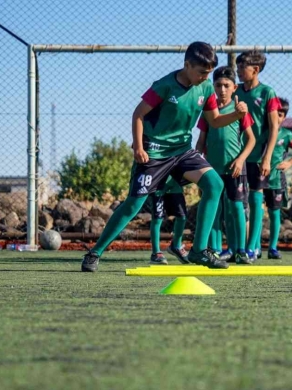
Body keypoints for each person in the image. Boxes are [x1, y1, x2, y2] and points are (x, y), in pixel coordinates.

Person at [81, 42, 248, 272]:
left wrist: (237, 116)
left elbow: (215, 120)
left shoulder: (206, 89)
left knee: (215, 184)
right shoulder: (165, 86)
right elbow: (138, 114)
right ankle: (95, 252)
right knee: (133, 206)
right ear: (187, 65)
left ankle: (199, 250)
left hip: (182, 152)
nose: (204, 78)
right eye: (201, 72)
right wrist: (139, 147)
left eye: (208, 73)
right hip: (155, 153)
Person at [195, 66, 256, 264]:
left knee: (236, 207)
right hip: (212, 169)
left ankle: (241, 251)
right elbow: (201, 141)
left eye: (226, 85)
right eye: (218, 85)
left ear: (234, 87)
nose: (222, 89)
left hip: (234, 168)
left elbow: (251, 140)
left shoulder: (240, 110)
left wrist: (240, 160)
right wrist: (198, 165)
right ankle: (214, 250)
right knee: (215, 208)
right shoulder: (207, 111)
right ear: (213, 86)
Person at [234, 50, 282, 261]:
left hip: (257, 156)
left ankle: (253, 247)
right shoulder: (236, 92)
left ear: (255, 69)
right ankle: (238, 247)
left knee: (255, 199)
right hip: (238, 156)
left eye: (242, 67)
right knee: (237, 202)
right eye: (237, 67)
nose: (238, 71)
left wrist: (267, 157)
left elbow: (273, 129)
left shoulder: (267, 93)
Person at [264, 98, 292, 259]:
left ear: (284, 117)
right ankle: (253, 247)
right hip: (258, 178)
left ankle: (273, 247)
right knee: (255, 212)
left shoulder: (286, 135)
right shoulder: (261, 131)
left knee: (274, 213)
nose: (277, 117)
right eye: (275, 113)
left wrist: (289, 162)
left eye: (281, 114)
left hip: (276, 180)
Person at [148, 177, 189, 265]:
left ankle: (176, 246)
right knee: (157, 219)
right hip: (157, 188)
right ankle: (156, 253)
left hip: (175, 187)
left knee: (182, 217)